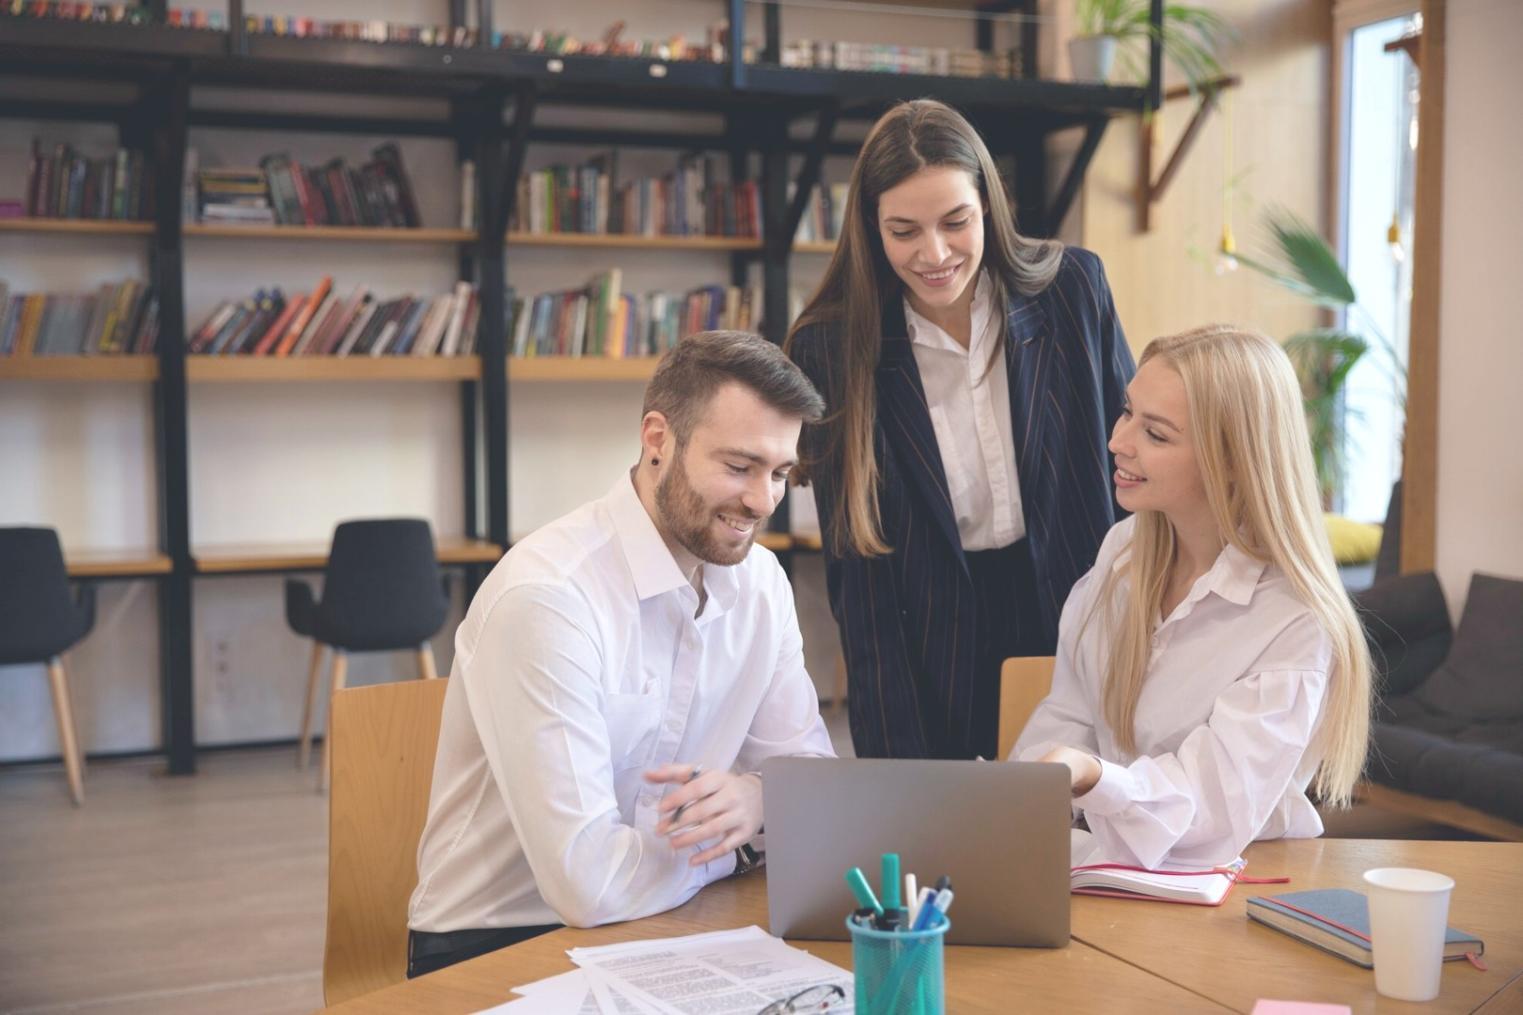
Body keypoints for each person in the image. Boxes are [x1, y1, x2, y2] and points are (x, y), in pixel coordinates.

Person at [407, 331, 836, 977]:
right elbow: (587, 882)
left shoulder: (761, 582)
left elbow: (811, 778)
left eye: (780, 474)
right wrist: (746, 841)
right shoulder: (548, 598)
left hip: (675, 917)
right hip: (500, 942)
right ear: (658, 439)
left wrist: (757, 794)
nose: (762, 500)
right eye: (739, 467)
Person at [786, 99, 1134, 761]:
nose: (934, 253)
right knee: (952, 843)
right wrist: (892, 768)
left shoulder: (1072, 291)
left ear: (988, 207)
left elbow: (1133, 475)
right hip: (929, 637)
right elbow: (856, 579)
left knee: (1089, 834)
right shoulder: (831, 346)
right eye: (904, 231)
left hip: (1081, 607)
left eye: (955, 222)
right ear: (870, 227)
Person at [1012, 325, 1373, 869]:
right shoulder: (1124, 552)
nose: (1118, 441)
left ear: (1232, 460)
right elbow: (1070, 714)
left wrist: (1090, 777)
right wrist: (1010, 809)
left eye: (1155, 435)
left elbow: (1211, 809)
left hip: (1237, 884)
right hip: (1113, 868)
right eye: (1127, 412)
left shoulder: (1293, 620)